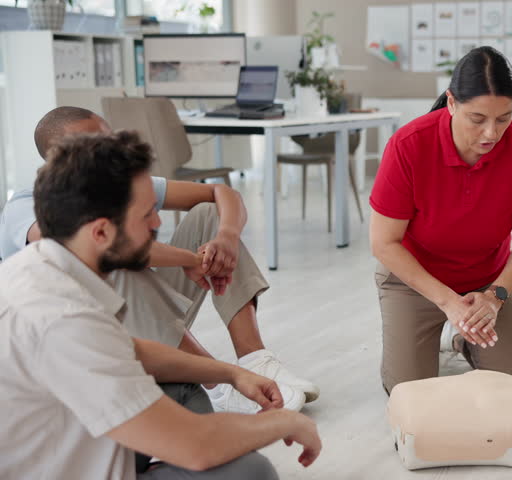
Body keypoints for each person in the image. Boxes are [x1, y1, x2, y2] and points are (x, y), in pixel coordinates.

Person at [0, 131, 321, 479]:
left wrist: (231, 374)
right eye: (146, 216)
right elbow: (198, 448)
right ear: (101, 233)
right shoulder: (62, 320)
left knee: (182, 389)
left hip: (67, 434)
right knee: (249, 471)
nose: (157, 223)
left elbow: (130, 349)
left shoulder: (39, 267)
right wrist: (285, 423)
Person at [369, 46, 512, 392]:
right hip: (414, 282)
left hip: (487, 285)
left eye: (504, 118)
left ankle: (464, 339)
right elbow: (384, 243)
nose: (491, 133)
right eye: (477, 119)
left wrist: (495, 296)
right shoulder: (408, 145)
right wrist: (448, 302)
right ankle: (447, 332)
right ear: (451, 103)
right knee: (410, 393)